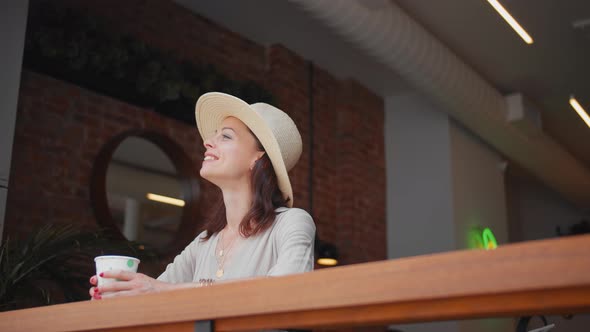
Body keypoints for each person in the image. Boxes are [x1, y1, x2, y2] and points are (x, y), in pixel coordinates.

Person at [89, 92, 316, 300]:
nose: (207, 141)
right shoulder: (204, 243)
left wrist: (166, 289)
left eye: (225, 137)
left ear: (257, 157)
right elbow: (152, 299)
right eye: (214, 135)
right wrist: (116, 294)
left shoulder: (291, 222)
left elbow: (289, 289)